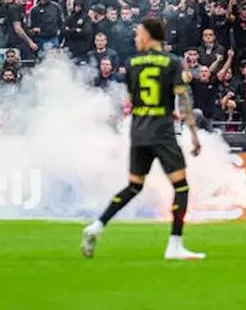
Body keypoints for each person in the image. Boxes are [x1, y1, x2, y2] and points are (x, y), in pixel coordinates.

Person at [81, 18, 204, 261]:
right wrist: (193, 134)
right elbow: (183, 100)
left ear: (149, 36)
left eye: (138, 34)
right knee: (181, 186)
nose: (136, 39)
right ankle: (175, 245)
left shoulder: (132, 63)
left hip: (138, 130)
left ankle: (96, 226)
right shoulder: (172, 62)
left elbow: (131, 101)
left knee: (134, 185)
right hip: (161, 131)